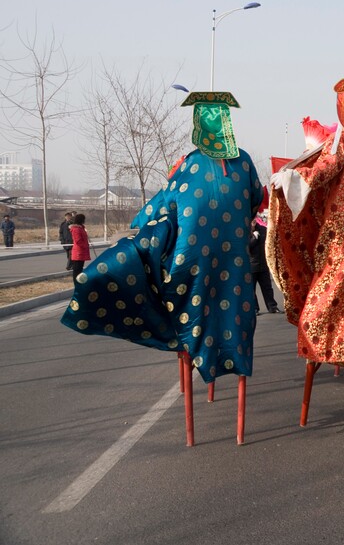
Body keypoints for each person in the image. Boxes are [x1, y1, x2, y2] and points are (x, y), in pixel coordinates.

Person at [62, 89, 263, 386]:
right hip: (235, 271)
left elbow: (159, 207)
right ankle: (237, 400)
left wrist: (138, 223)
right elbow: (256, 199)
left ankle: (191, 363)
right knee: (236, 313)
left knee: (174, 299)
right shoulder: (244, 162)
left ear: (198, 125)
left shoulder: (188, 164)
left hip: (191, 269)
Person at [267, 78, 344, 376]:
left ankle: (323, 347)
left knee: (322, 301)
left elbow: (326, 168)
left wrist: (293, 180)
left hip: (343, 238)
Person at [249, 200, 280, 315]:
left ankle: (272, 306)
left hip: (263, 264)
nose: (253, 222)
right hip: (251, 266)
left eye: (254, 219)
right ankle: (255, 309)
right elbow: (246, 246)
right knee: (251, 290)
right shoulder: (244, 231)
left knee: (267, 287)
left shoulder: (262, 229)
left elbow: (269, 242)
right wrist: (253, 238)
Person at [69, 213, 91, 279]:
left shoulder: (81, 228)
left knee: (80, 269)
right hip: (78, 252)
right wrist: (85, 246)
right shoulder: (76, 229)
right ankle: (76, 283)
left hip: (81, 251)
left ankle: (79, 281)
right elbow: (78, 241)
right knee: (77, 270)